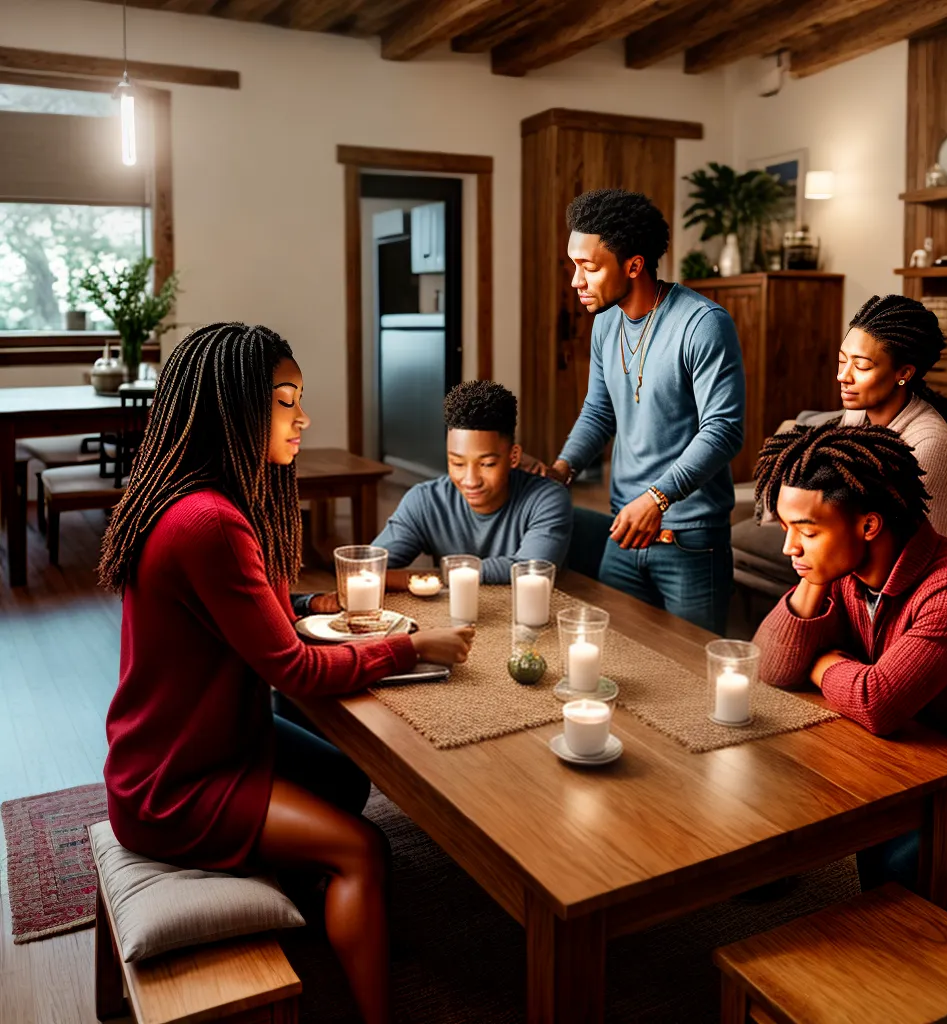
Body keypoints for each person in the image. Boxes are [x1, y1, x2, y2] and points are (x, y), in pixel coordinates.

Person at [100, 323, 473, 1024]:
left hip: (202, 742)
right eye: (284, 400)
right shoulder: (208, 522)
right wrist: (414, 647)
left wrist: (311, 604)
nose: (303, 416)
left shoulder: (201, 500)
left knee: (341, 777)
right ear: (232, 408)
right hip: (177, 782)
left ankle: (324, 914)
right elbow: (294, 670)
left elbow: (242, 612)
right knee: (363, 849)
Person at [751, 422, 947, 939]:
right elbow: (769, 667)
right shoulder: (851, 575)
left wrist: (824, 665)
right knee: (865, 842)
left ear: (868, 525)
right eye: (788, 528)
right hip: (921, 764)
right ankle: (897, 962)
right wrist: (811, 583)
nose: (791, 546)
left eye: (808, 531)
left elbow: (877, 701)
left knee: (905, 861)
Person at [535, 189, 744, 634]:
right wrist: (562, 468)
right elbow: (599, 410)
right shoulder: (605, 321)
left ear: (634, 265)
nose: (576, 280)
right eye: (573, 265)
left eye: (588, 267)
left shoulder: (703, 324)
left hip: (690, 539)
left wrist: (658, 498)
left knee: (690, 678)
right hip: (625, 530)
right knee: (620, 659)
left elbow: (723, 430)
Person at [369, 380, 573, 588]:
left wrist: (436, 579)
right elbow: (371, 568)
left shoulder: (548, 499)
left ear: (514, 457)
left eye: (487, 464)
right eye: (457, 463)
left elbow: (532, 570)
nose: (470, 480)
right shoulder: (425, 501)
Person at [837, 293, 947, 537]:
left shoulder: (929, 442)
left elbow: (914, 547)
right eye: (842, 361)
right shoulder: (855, 416)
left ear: (903, 372)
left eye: (861, 366)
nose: (843, 376)